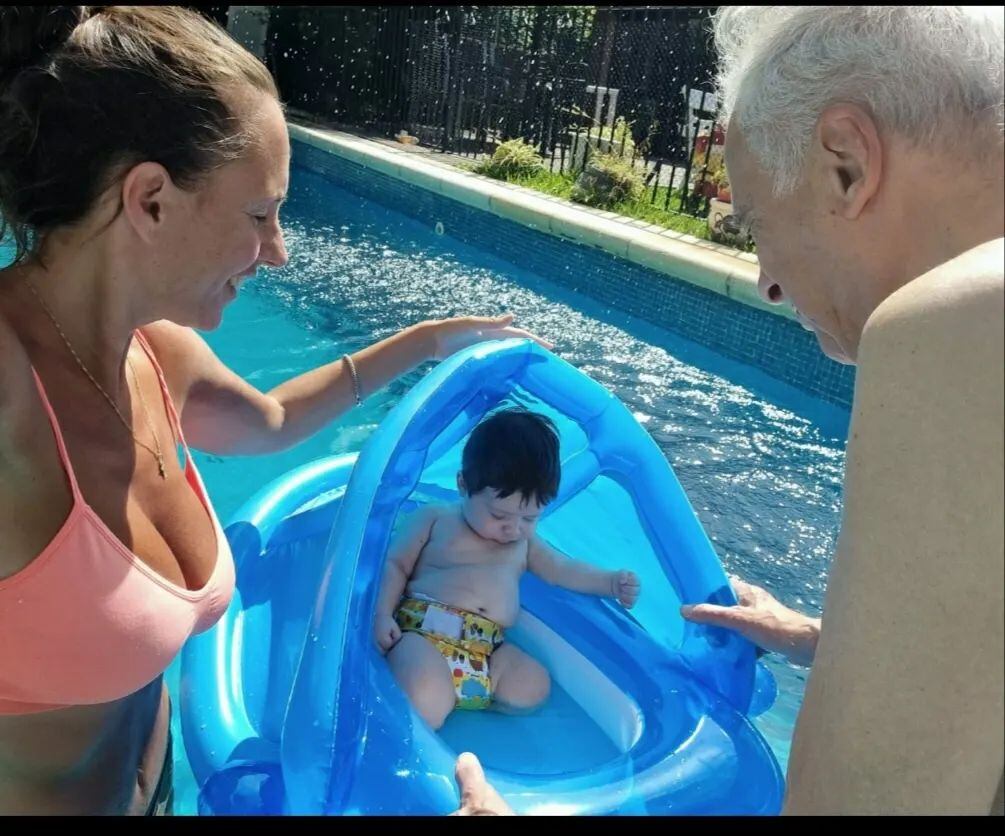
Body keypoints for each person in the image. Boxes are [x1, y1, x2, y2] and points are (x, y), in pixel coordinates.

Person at [454, 6, 1004, 815]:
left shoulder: (958, 330)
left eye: (755, 226)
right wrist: (837, 644)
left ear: (845, 164)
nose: (766, 284)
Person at [0, 6, 546, 815]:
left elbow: (276, 421)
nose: (279, 251)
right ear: (150, 199)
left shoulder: (155, 351)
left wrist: (425, 342)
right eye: (260, 216)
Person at [374, 408, 640, 729]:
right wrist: (382, 614)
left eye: (529, 518)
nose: (513, 529)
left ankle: (467, 702)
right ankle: (423, 705)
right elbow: (395, 565)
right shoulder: (436, 519)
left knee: (534, 686)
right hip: (425, 634)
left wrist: (610, 583)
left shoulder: (524, 545)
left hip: (488, 652)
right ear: (463, 485)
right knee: (424, 696)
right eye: (499, 516)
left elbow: (562, 570)